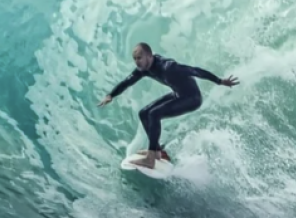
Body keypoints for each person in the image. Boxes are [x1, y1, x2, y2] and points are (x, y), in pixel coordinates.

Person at [98, 43, 239, 169]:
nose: (136, 62)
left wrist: (220, 81)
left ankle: (151, 157)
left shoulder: (168, 67)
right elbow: (128, 81)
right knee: (144, 113)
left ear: (149, 55)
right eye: (134, 59)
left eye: (139, 58)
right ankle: (158, 152)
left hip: (192, 98)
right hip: (178, 94)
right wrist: (111, 95)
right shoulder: (144, 69)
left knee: (154, 114)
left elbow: (195, 71)